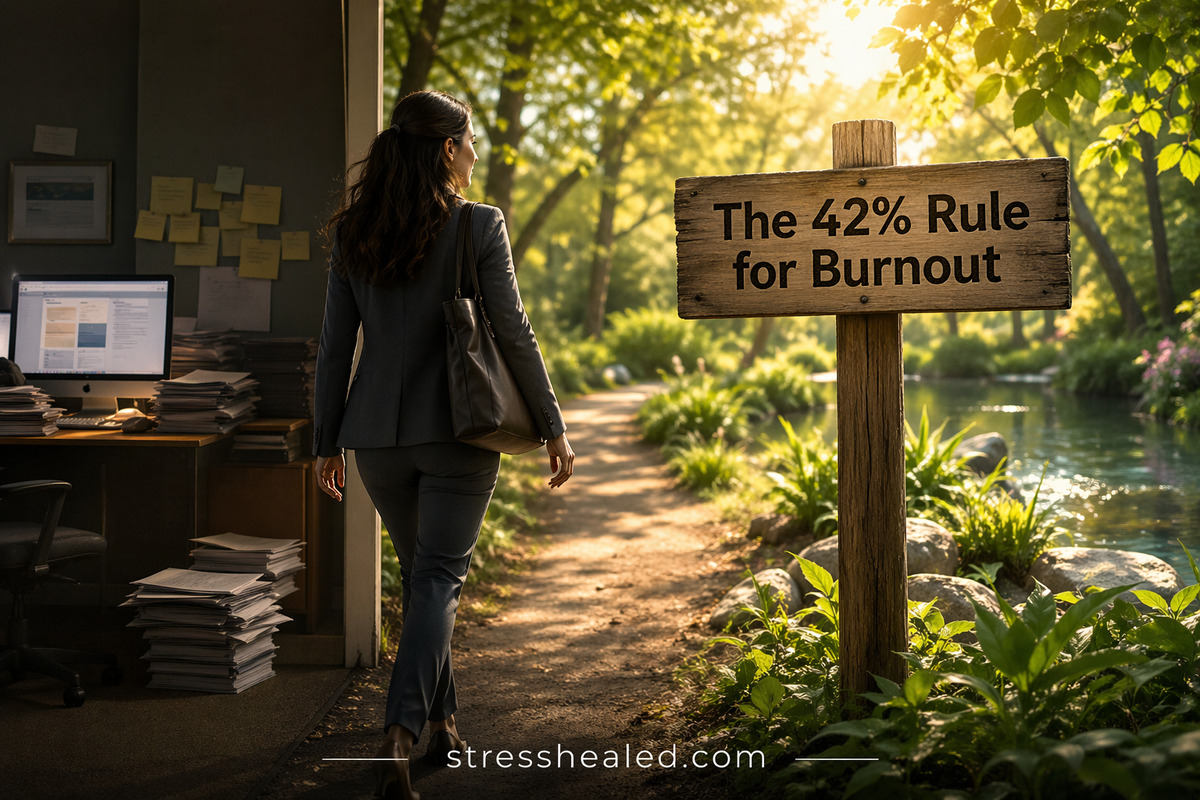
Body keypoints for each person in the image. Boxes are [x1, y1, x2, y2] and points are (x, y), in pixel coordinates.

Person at [313, 90, 575, 800]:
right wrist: (551, 423)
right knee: (438, 581)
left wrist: (325, 441)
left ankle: (443, 724)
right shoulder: (477, 226)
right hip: (459, 433)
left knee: (429, 578)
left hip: (376, 441)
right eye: (469, 140)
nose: (475, 153)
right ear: (448, 150)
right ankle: (397, 737)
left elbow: (337, 348)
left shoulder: (353, 233)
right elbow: (514, 331)